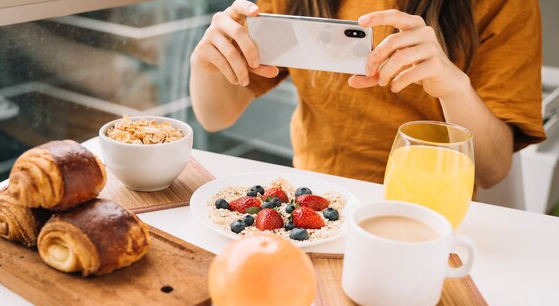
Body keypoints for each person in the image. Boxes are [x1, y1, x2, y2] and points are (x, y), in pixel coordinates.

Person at [189, 0, 546, 188]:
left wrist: (453, 87)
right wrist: (206, 64)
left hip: (427, 212)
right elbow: (215, 116)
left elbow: (492, 169)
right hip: (314, 197)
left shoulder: (504, 5)